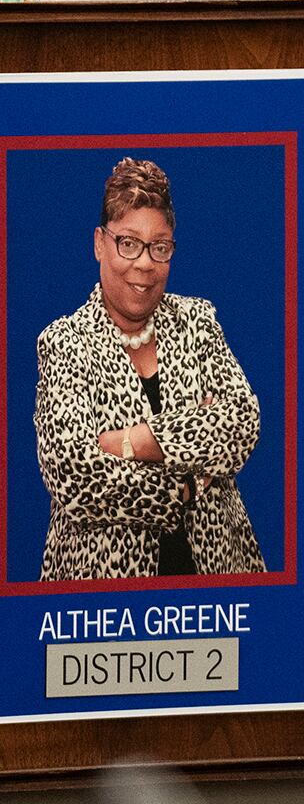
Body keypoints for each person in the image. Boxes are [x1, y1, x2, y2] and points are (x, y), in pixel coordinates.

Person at [35, 157, 265, 581]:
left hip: (215, 575)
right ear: (99, 244)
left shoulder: (197, 320)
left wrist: (131, 441)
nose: (144, 263)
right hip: (104, 595)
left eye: (160, 246)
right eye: (128, 243)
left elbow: (241, 422)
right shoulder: (66, 342)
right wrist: (188, 485)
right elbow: (73, 473)